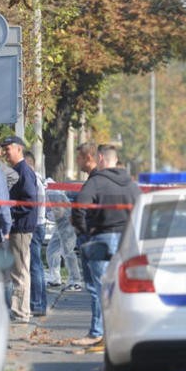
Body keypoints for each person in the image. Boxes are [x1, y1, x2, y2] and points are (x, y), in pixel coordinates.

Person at [70, 144, 141, 347]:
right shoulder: (131, 185)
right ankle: (123, 331)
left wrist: (84, 231)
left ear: (100, 158)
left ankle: (97, 333)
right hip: (126, 241)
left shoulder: (97, 182)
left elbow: (79, 208)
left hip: (101, 238)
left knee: (98, 288)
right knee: (123, 288)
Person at [2, 136, 38, 323]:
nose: (5, 153)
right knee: (18, 270)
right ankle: (20, 310)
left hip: (21, 229)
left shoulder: (23, 171)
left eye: (8, 149)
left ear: (18, 150)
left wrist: (10, 212)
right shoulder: (17, 170)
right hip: (18, 227)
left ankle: (20, 312)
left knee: (20, 271)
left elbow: (29, 202)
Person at [45, 179, 84, 290]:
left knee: (68, 251)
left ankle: (75, 281)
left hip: (66, 223)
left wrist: (49, 215)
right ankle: (55, 277)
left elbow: (60, 211)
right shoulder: (49, 189)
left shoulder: (51, 192)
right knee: (52, 250)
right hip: (61, 224)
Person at [25, 151, 48, 317]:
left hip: (34, 225)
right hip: (38, 224)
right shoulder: (38, 179)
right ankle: (39, 303)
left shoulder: (32, 179)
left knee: (35, 266)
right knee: (36, 265)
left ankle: (37, 304)